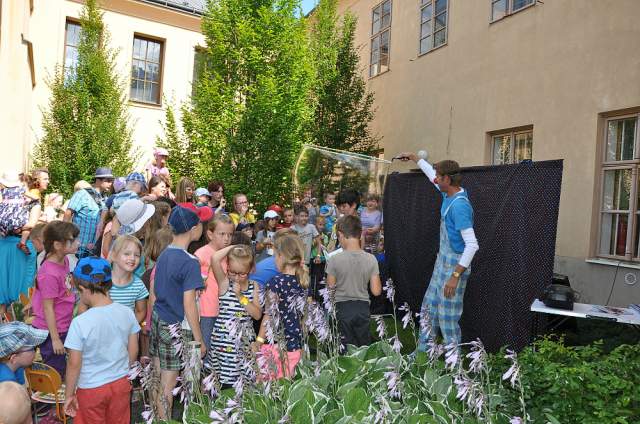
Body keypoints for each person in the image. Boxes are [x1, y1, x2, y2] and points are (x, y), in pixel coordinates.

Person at [398, 152, 480, 348]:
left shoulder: (459, 206)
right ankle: (423, 353)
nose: (435, 179)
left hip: (454, 266)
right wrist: (414, 157)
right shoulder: (448, 193)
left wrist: (455, 276)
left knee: (447, 317)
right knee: (429, 308)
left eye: (439, 177)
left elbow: (472, 245)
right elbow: (430, 174)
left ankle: (454, 362)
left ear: (447, 179)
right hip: (441, 263)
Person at [63, 257, 140, 423]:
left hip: (91, 388)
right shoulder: (127, 312)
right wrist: (121, 372)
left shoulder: (79, 323)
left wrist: (69, 395)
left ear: (83, 289)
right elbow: (133, 350)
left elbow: (74, 364)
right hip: (121, 383)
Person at [150, 206, 205, 420]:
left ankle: (155, 417)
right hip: (176, 326)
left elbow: (157, 290)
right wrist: (199, 339)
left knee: (158, 376)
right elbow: (189, 303)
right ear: (193, 229)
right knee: (169, 384)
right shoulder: (190, 261)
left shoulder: (165, 254)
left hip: (159, 318)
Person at [204, 245, 261, 388]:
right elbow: (214, 258)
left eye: (241, 274)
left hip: (243, 342)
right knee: (222, 383)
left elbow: (257, 315)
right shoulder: (224, 283)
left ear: (250, 270)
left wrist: (240, 296)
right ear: (227, 267)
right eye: (232, 272)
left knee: (244, 382)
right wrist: (235, 247)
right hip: (223, 343)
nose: (236, 277)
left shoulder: (254, 286)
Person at [31, 221, 80, 378]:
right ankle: (48, 395)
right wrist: (55, 339)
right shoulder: (49, 273)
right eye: (72, 240)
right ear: (58, 245)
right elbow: (48, 307)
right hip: (51, 330)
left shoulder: (64, 260)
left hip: (62, 324)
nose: (78, 243)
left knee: (63, 368)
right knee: (55, 374)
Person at [255, 235, 307, 380]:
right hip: (295, 344)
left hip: (275, 344)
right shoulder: (303, 281)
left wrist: (259, 340)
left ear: (281, 256)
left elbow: (269, 314)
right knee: (288, 384)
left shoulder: (275, 282)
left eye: (275, 256)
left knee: (269, 383)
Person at [326, 215, 381, 348]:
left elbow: (330, 289)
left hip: (341, 308)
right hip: (363, 308)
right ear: (360, 234)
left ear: (340, 234)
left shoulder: (334, 259)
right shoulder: (371, 259)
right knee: (363, 348)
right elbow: (376, 291)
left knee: (344, 348)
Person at [194, 214, 234, 351]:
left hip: (224, 309)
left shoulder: (229, 254)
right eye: (222, 234)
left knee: (219, 348)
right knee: (205, 345)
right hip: (206, 310)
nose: (227, 238)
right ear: (210, 234)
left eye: (230, 234)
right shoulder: (202, 253)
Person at [64, 167, 113, 258]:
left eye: (111, 181)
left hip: (95, 249)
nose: (111, 184)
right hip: (78, 247)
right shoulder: (81, 194)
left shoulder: (106, 199)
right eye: (108, 181)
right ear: (98, 180)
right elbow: (68, 214)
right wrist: (66, 237)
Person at [108, 235, 149, 324]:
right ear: (114, 256)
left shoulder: (138, 285)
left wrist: (130, 327)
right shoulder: (103, 281)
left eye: (137, 255)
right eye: (127, 254)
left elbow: (141, 311)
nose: (132, 258)